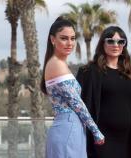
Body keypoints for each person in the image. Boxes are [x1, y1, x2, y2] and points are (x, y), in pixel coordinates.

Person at [76, 26, 131, 158]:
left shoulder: (130, 75)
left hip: (127, 141)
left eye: (121, 42)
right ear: (103, 43)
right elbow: (80, 106)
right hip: (100, 140)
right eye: (111, 41)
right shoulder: (89, 72)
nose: (116, 45)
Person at [40, 17, 104, 158]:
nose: (70, 43)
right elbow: (77, 103)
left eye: (73, 38)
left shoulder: (57, 63)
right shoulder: (56, 64)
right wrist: (95, 130)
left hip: (68, 127)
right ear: (53, 39)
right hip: (68, 128)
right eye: (64, 38)